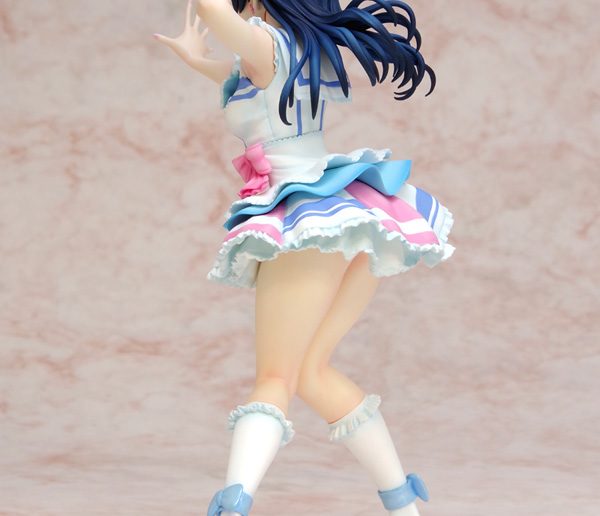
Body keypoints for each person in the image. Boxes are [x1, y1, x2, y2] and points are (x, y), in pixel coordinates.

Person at [154, 1, 455, 514]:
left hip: (310, 221)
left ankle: (232, 506)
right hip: (348, 212)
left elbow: (221, 21)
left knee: (275, 379)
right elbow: (242, 76)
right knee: (313, 372)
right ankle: (405, 505)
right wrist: (195, 58)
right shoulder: (298, 50)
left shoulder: (268, 45)